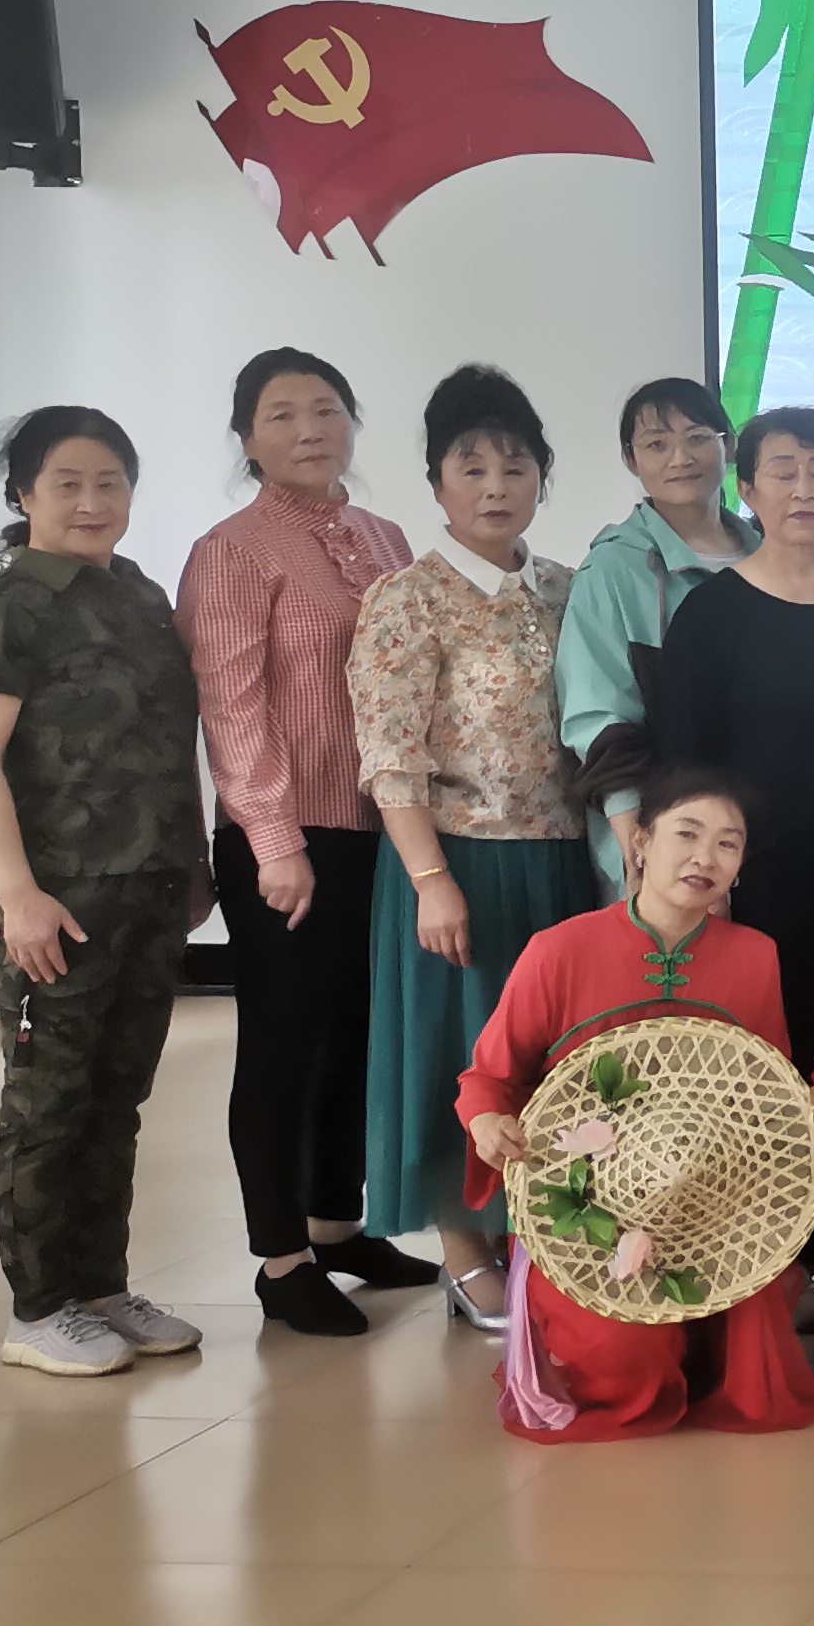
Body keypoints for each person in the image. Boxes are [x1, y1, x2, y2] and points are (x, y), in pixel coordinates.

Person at [0, 407, 213, 1378]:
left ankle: (100, 1287)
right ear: (24, 494)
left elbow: (168, 740)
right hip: (58, 899)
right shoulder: (6, 606)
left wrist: (192, 860)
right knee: (47, 1104)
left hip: (148, 887)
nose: (92, 501)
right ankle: (36, 1308)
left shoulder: (138, 593)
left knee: (117, 1099)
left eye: (111, 481)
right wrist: (16, 895)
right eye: (67, 483)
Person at [455, 768, 814, 1441]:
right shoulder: (559, 951)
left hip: (707, 1199)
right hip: (586, 1205)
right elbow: (488, 1078)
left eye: (727, 844)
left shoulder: (754, 956)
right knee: (626, 1370)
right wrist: (487, 1122)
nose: (704, 857)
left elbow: (767, 1085)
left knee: (749, 1362)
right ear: (640, 843)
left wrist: (804, 1110)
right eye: (686, 834)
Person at [177, 346, 433, 1337]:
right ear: (247, 438)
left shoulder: (383, 536)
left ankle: (338, 1224)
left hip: (381, 827)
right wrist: (274, 840)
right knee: (285, 1043)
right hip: (285, 837)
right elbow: (232, 707)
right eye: (281, 415)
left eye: (326, 409)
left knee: (357, 1035)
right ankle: (281, 1260)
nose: (310, 429)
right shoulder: (232, 551)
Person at [347, 365, 599, 1335]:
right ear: (437, 481)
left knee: (552, 1054)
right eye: (472, 467)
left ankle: (544, 1233)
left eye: (516, 466)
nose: (496, 486)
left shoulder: (565, 589)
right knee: (462, 1052)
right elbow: (391, 755)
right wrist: (430, 881)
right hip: (458, 863)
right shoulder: (407, 600)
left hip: (561, 862)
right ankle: (463, 1250)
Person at [645, 409, 814, 1067]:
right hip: (756, 877)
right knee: (763, 1064)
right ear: (748, 491)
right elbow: (683, 761)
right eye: (784, 473)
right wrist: (707, 878)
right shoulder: (712, 613)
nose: (804, 490)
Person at [553, 375, 753, 894]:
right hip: (666, 846)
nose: (680, 458)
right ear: (631, 459)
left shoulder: (769, 556)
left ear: (728, 446)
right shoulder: (613, 569)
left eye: (697, 437)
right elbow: (599, 719)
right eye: (657, 444)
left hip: (768, 831)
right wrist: (637, 849)